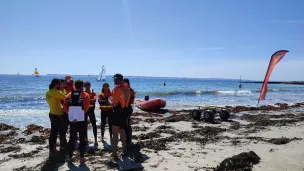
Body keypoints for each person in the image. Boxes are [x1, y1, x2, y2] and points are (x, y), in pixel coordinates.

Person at [63, 80, 90, 164]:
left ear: (74, 85)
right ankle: (81, 158)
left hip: (72, 120)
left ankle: (70, 157)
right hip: (81, 119)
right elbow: (86, 108)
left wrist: (71, 114)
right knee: (82, 138)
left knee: (72, 138)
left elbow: (64, 108)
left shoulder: (68, 95)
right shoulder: (85, 95)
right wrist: (79, 114)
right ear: (82, 86)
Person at [108, 73, 131, 159]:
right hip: (124, 112)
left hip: (117, 112)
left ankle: (114, 153)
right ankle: (124, 149)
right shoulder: (127, 88)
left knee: (115, 133)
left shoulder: (117, 89)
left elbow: (114, 104)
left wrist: (109, 100)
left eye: (114, 79)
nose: (113, 80)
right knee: (122, 131)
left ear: (118, 79)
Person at [46, 78, 67, 157]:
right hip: (59, 115)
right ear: (57, 84)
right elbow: (66, 97)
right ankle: (61, 148)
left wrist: (61, 89)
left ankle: (52, 149)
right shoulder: (56, 92)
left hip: (51, 113)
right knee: (62, 131)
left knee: (53, 133)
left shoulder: (48, 92)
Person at [83, 81, 98, 147]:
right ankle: (86, 140)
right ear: (84, 86)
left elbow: (94, 100)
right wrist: (89, 100)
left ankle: (96, 140)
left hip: (91, 110)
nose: (88, 87)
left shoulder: (93, 93)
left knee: (94, 124)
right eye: (86, 85)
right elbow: (82, 101)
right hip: (85, 111)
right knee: (84, 125)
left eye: (89, 85)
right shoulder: (83, 93)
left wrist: (87, 100)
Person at [123, 78, 135, 146]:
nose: (124, 84)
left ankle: (128, 139)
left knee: (127, 124)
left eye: (125, 83)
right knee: (126, 124)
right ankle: (127, 138)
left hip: (128, 108)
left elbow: (131, 99)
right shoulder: (124, 89)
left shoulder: (130, 90)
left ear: (127, 83)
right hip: (125, 108)